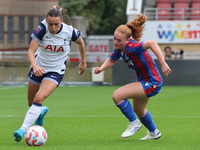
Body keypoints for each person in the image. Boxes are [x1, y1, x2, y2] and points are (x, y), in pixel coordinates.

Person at [13, 6, 87, 142]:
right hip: (38, 68)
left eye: (56, 24)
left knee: (39, 97)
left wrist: (83, 62)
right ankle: (40, 112)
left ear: (62, 21)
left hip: (56, 70)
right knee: (31, 102)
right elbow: (31, 51)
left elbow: (81, 43)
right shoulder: (42, 29)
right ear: (46, 21)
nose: (53, 28)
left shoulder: (69, 31)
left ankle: (22, 130)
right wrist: (35, 66)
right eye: (50, 24)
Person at [94, 14, 171, 140]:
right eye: (114, 38)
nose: (115, 42)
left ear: (127, 39)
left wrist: (163, 63)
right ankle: (154, 132)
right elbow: (112, 60)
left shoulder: (132, 47)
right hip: (144, 81)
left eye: (119, 40)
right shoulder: (120, 49)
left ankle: (134, 123)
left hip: (152, 82)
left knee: (117, 95)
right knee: (138, 109)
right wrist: (101, 68)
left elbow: (152, 43)